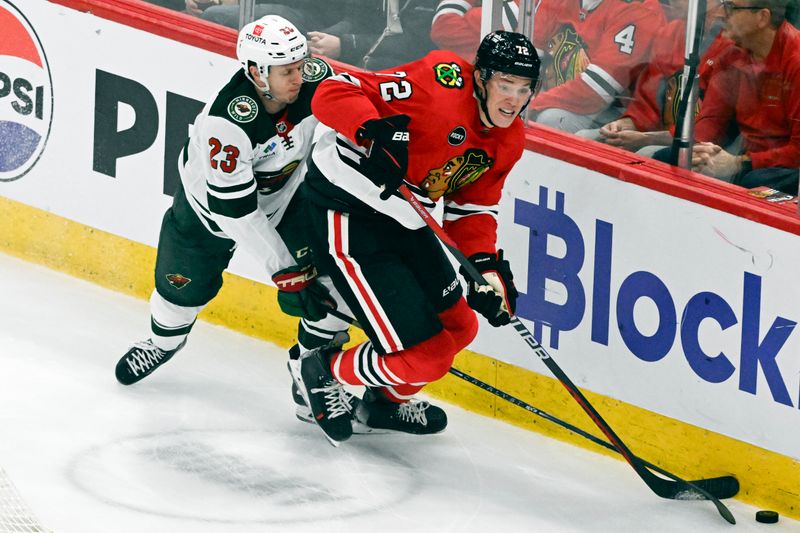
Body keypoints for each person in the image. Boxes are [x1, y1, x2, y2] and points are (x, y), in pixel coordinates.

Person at [289, 30, 540, 444]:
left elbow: (471, 208)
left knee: (460, 328)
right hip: (349, 210)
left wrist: (484, 269)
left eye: (524, 89)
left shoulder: (509, 140)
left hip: (405, 216)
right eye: (505, 86)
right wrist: (372, 130)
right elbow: (334, 89)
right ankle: (321, 367)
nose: (514, 100)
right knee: (428, 356)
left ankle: (381, 404)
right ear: (481, 79)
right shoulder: (439, 83)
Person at [114, 16, 350, 405]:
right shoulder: (225, 124)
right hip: (209, 218)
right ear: (258, 72)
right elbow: (236, 213)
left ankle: (311, 370)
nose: (299, 77)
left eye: (300, 65)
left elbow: (353, 110)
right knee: (178, 299)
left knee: (333, 283)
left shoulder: (313, 79)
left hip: (288, 202)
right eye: (287, 71)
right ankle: (162, 343)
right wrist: (285, 269)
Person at [578, 0, 732, 157]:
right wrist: (625, 124)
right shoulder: (670, 32)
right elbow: (647, 104)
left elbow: (709, 130)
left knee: (647, 154)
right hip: (659, 136)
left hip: (709, 150)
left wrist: (645, 139)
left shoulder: (732, 46)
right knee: (585, 137)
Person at [683, 0, 800, 193]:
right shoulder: (732, 54)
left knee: (753, 181)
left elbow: (797, 152)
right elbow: (712, 121)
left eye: (731, 7)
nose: (722, 13)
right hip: (747, 159)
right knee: (672, 158)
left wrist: (739, 163)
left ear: (762, 17)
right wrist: (700, 152)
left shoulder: (795, 61)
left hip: (786, 169)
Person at [529, 0, 665, 133]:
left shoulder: (638, 9)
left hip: (611, 111)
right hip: (555, 95)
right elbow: (527, 57)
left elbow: (596, 92)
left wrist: (532, 104)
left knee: (550, 120)